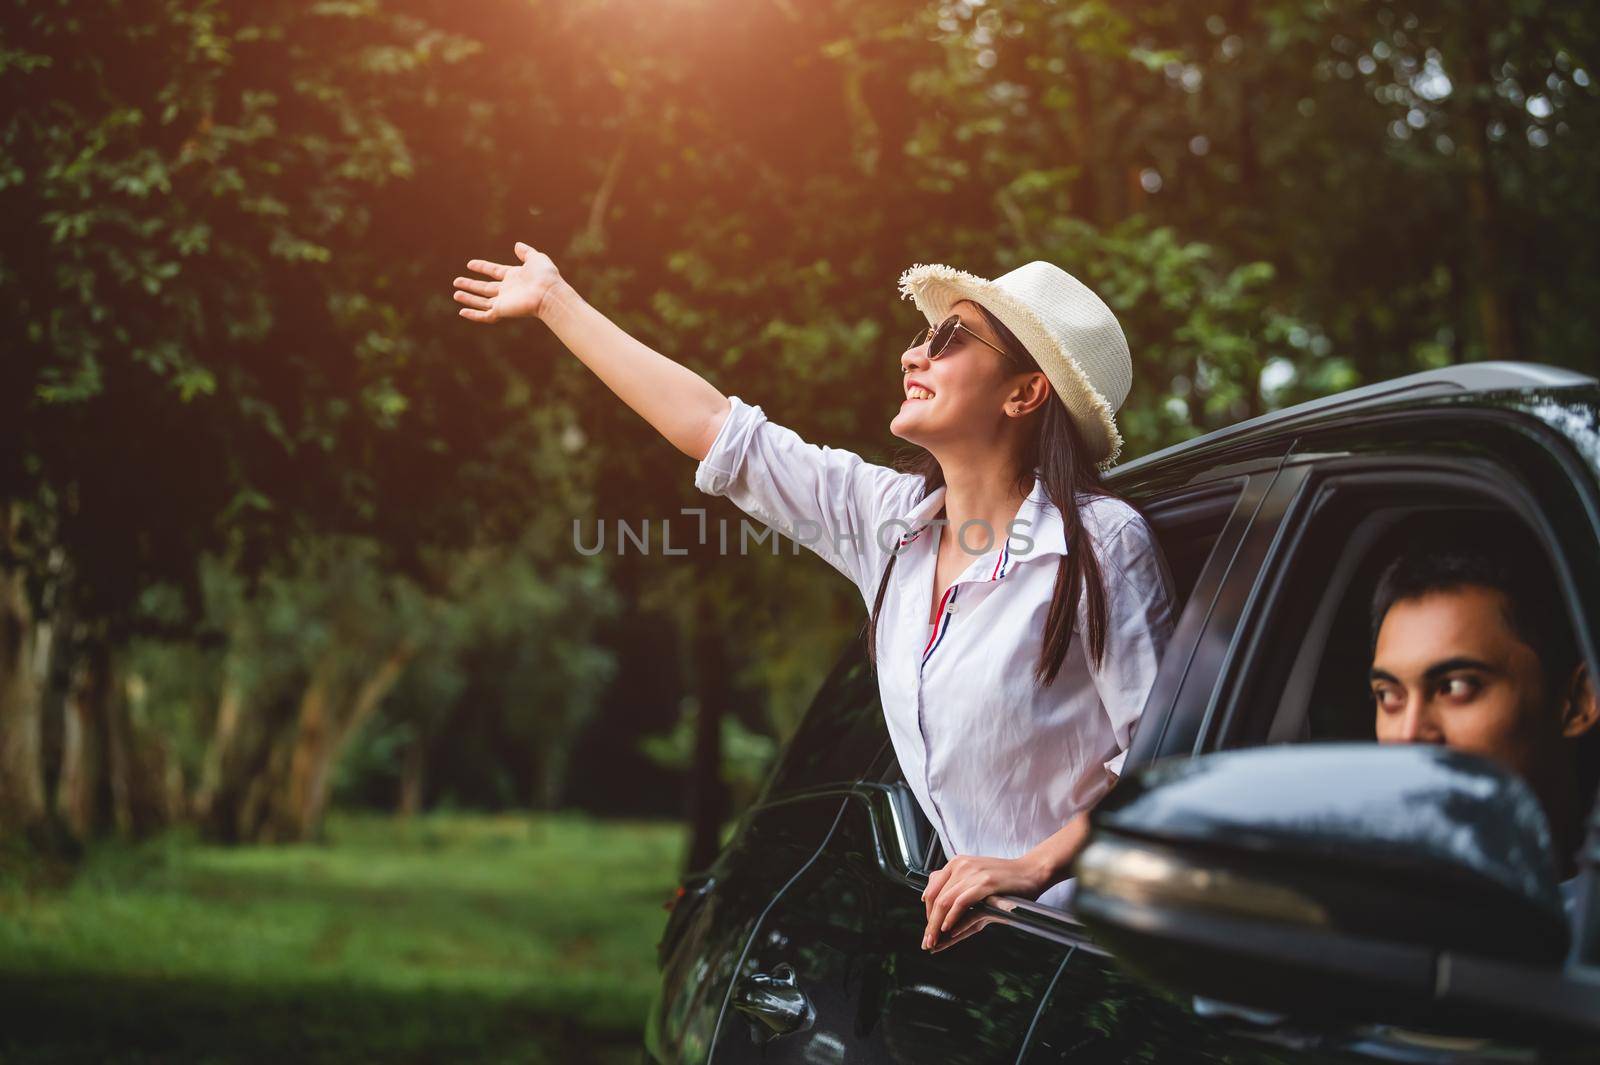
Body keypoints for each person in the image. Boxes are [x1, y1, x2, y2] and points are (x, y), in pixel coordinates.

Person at [452, 244, 1175, 949]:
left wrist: (1033, 863)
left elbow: (1172, 760)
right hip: (1000, 956)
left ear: (1025, 392)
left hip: (1106, 953)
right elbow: (714, 429)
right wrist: (555, 300)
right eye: (923, 335)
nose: (913, 354)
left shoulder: (1100, 545)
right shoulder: (890, 524)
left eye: (950, 338)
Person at [1368, 524, 1599, 904]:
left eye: (1456, 688)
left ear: (1577, 701)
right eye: (1389, 696)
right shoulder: (1360, 899)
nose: (1408, 736)